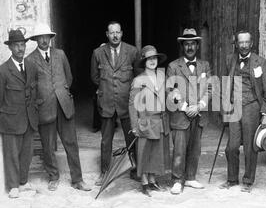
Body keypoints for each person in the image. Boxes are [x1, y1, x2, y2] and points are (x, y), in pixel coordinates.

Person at [26, 23, 91, 192]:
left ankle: (77, 179)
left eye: (46, 37)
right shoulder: (30, 60)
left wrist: (61, 93)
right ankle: (53, 177)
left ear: (50, 38)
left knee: (71, 143)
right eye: (40, 37)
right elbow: (30, 87)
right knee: (47, 146)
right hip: (44, 108)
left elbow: (68, 78)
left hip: (64, 105)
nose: (43, 40)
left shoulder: (60, 54)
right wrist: (42, 99)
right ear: (35, 40)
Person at [221, 30, 266, 193]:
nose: (243, 45)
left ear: (251, 43)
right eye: (240, 42)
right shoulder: (230, 59)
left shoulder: (260, 62)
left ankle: (248, 180)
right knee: (232, 146)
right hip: (234, 106)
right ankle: (232, 179)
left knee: (250, 146)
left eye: (246, 42)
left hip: (252, 106)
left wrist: (265, 113)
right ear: (236, 43)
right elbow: (225, 83)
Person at [91, 21, 139, 186]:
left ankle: (135, 169)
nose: (115, 35)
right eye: (112, 33)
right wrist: (107, 89)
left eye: (118, 32)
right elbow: (94, 77)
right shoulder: (98, 53)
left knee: (131, 137)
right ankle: (104, 172)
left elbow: (138, 76)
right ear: (107, 34)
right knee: (106, 140)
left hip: (126, 103)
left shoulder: (132, 52)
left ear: (122, 33)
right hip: (107, 102)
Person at [0, 29, 38, 198]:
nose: (20, 48)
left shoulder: (31, 67)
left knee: (27, 152)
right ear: (10, 48)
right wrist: (3, 119)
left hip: (29, 118)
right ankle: (13, 186)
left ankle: (23, 182)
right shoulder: (2, 71)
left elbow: (34, 92)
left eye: (22, 45)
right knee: (11, 154)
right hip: (10, 120)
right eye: (16, 45)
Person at [166, 28, 211, 195]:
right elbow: (170, 90)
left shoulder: (205, 65)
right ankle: (177, 180)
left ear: (197, 46)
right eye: (187, 44)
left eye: (193, 44)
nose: (190, 47)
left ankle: (191, 177)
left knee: (195, 148)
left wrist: (199, 106)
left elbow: (210, 88)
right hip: (180, 115)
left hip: (198, 114)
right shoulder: (173, 66)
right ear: (182, 46)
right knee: (179, 149)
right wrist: (185, 107)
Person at [129, 45, 170, 197]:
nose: (152, 61)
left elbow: (169, 93)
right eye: (149, 59)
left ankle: (152, 180)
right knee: (144, 152)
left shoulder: (161, 77)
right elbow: (132, 104)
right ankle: (145, 182)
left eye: (154, 58)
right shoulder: (138, 80)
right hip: (145, 121)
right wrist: (134, 126)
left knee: (156, 152)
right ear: (144, 62)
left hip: (159, 120)